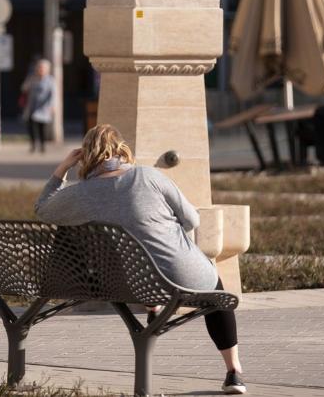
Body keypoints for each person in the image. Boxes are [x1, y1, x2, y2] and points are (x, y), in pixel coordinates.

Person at [33, 124, 247, 395]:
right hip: (183, 277)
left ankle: (152, 304)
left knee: (136, 264)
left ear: (84, 157)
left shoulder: (79, 194)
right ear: (122, 150)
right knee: (216, 296)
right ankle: (234, 372)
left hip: (122, 284)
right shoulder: (148, 176)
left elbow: (42, 209)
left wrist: (62, 168)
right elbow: (192, 219)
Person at [21, 59, 55, 153]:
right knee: (31, 126)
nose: (40, 69)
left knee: (41, 128)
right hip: (31, 107)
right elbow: (24, 88)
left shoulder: (50, 80)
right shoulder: (32, 78)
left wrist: (52, 106)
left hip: (43, 108)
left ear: (47, 69)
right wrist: (29, 79)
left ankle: (42, 146)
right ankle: (33, 145)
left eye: (42, 68)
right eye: (39, 67)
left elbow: (53, 94)